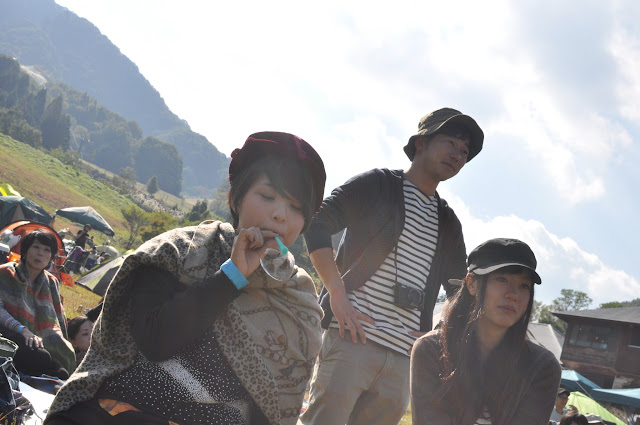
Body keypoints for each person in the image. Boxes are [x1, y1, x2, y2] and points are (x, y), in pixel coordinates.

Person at [45, 131, 326, 425]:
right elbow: (154, 342)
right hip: (130, 405)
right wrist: (231, 276)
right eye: (267, 196)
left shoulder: (298, 299)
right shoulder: (180, 251)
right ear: (237, 198)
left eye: (296, 207)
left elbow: (272, 409)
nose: (281, 215)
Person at [300, 107, 484, 425]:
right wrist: (336, 294)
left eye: (465, 152)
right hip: (351, 337)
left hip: (404, 358)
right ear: (421, 142)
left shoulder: (448, 222)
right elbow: (317, 222)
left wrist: (439, 333)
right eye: (451, 143)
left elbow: (461, 289)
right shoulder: (378, 184)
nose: (458, 155)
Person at [410, 238, 561, 425]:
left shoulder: (542, 366)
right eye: (502, 279)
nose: (513, 294)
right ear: (472, 283)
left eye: (524, 285)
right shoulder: (432, 349)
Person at [0, 230, 75, 379]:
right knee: (41, 358)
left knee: (63, 371)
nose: (40, 253)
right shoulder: (6, 273)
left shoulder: (51, 282)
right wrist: (22, 329)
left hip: (37, 339)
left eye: (46, 250)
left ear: (51, 257)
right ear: (25, 250)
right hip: (7, 331)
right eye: (36, 247)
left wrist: (64, 342)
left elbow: (58, 317)